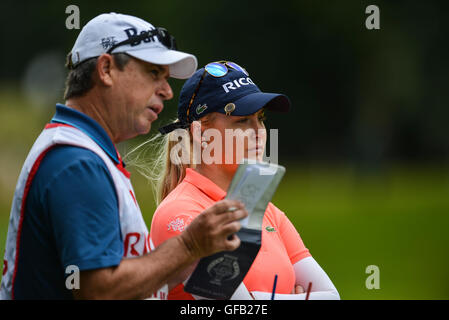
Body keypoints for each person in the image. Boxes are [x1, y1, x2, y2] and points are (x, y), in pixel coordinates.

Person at [0, 14, 248, 300]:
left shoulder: (85, 151)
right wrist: (189, 245)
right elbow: (99, 291)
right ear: (106, 69)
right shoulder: (76, 161)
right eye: (154, 73)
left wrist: (190, 255)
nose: (167, 91)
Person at [147, 61, 340, 299]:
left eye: (261, 118)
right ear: (200, 133)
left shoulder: (268, 211)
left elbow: (332, 296)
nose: (258, 131)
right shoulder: (179, 212)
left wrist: (257, 297)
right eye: (241, 121)